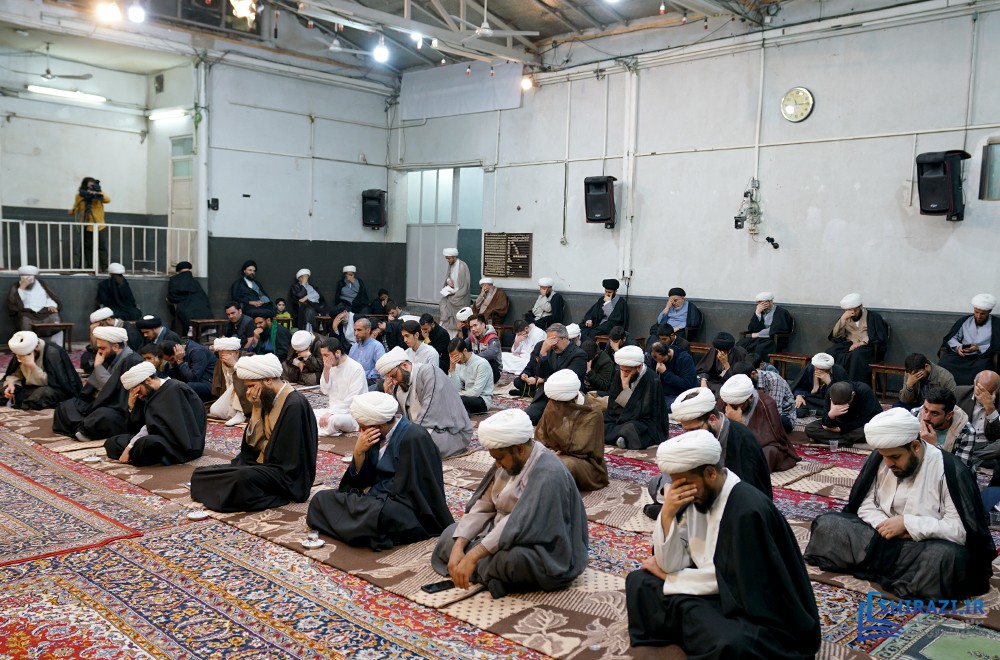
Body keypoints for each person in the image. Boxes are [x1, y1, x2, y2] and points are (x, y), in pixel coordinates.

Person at [626, 430, 820, 657]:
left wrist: (669, 578)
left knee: (731, 642)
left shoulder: (747, 510)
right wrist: (667, 514)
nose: (679, 492)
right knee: (639, 582)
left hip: (747, 605)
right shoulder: (695, 496)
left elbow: (740, 585)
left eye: (684, 484)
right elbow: (671, 563)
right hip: (705, 586)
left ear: (710, 473)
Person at [805, 408, 995, 601]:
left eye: (895, 457)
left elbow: (960, 530)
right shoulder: (881, 459)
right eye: (884, 456)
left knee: (946, 558)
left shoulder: (950, 470)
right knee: (828, 524)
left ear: (916, 447)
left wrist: (908, 525)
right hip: (882, 536)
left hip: (923, 546)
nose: (888, 463)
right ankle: (901, 572)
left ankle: (888, 567)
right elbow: (865, 504)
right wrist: (886, 526)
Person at [431, 409, 589, 598]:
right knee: (450, 535)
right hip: (500, 534)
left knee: (512, 561)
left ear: (519, 448)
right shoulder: (509, 460)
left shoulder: (548, 472)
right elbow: (483, 505)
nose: (497, 464)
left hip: (540, 546)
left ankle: (483, 571)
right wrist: (459, 545)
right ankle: (490, 575)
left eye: (499, 458)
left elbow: (518, 522)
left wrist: (473, 556)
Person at [307, 391, 453, 550]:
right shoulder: (375, 436)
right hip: (375, 500)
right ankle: (361, 529)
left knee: (379, 514)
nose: (360, 431)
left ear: (379, 426)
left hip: (404, 508)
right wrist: (359, 453)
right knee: (320, 499)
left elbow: (414, 490)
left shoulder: (414, 437)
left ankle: (361, 527)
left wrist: (374, 496)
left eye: (363, 427)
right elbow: (358, 483)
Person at [191, 354, 318, 512]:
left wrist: (255, 465)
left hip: (287, 476)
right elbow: (253, 446)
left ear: (268, 380)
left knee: (241, 478)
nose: (249, 391)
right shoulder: (267, 396)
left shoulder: (294, 405)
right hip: (266, 464)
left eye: (251, 386)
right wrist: (256, 408)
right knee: (201, 473)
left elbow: (288, 460)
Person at [654, 387, 772, 500]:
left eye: (694, 429)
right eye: (686, 430)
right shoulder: (699, 434)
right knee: (658, 484)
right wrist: (669, 487)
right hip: (704, 490)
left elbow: (746, 491)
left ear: (712, 419)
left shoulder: (742, 439)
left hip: (732, 499)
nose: (691, 435)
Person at [103, 361, 207, 466]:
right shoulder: (152, 393)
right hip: (161, 436)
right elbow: (141, 426)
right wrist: (131, 406)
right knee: (112, 443)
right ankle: (136, 455)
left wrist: (129, 447)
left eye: (138, 391)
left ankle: (134, 454)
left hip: (180, 444)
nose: (138, 395)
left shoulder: (174, 389)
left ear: (148, 380)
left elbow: (153, 426)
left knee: (145, 444)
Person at [376, 347, 473, 457]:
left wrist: (405, 435)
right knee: (385, 437)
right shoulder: (399, 384)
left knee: (410, 446)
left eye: (394, 376)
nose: (394, 382)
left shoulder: (429, 372)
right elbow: (399, 419)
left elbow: (430, 413)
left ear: (405, 365)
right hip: (419, 429)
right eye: (389, 379)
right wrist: (389, 396)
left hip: (450, 432)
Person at [52, 326, 142, 441]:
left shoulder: (133, 361)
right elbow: (93, 389)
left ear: (115, 346)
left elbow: (113, 390)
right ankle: (84, 427)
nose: (99, 352)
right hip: (101, 401)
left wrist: (98, 367)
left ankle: (85, 428)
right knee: (65, 406)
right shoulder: (109, 355)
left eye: (102, 348)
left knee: (102, 415)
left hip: (119, 409)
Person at [535, 370, 609, 491]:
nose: (557, 406)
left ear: (574, 397)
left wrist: (556, 451)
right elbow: (541, 435)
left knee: (561, 466)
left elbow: (580, 447)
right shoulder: (555, 401)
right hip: (556, 453)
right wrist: (547, 452)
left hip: (584, 461)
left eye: (561, 404)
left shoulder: (592, 412)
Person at [719, 374, 800, 472]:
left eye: (739, 405)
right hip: (732, 443)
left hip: (759, 445)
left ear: (750, 398)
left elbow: (776, 441)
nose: (734, 408)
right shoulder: (726, 401)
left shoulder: (767, 404)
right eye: (732, 406)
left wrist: (739, 424)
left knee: (770, 452)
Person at [523, 323, 588, 424]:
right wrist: (543, 353)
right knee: (526, 418)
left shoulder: (579, 354)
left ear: (565, 338)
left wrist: (545, 380)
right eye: (549, 341)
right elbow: (541, 374)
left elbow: (568, 379)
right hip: (547, 395)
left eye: (554, 340)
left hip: (567, 397)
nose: (552, 344)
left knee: (554, 423)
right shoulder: (550, 350)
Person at [605, 345, 667, 450]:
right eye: (621, 369)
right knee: (598, 419)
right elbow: (613, 406)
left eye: (627, 371)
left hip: (642, 421)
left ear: (638, 367)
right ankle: (620, 436)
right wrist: (625, 389)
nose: (624, 374)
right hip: (621, 416)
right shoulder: (620, 374)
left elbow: (645, 412)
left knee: (632, 428)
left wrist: (626, 389)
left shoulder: (652, 380)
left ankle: (620, 436)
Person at [3, 330, 81, 410]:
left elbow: (54, 383)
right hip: (27, 387)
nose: (21, 358)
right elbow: (15, 373)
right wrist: (11, 383)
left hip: (47, 387)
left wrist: (32, 366)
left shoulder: (52, 353)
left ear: (36, 347)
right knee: (3, 387)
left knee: (44, 394)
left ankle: (22, 400)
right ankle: (21, 399)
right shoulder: (22, 350)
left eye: (25, 355)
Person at [825, 292, 888, 382]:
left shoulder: (873, 317)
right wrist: (842, 319)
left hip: (867, 347)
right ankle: (833, 384)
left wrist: (861, 343)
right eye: (848, 311)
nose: (852, 314)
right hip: (849, 345)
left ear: (861, 306)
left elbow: (879, 336)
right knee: (831, 352)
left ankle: (853, 385)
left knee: (856, 355)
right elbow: (836, 336)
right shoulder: (846, 317)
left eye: (854, 311)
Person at [939, 293, 1000, 386]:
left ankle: (973, 392)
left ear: (989, 311)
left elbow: (997, 344)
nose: (978, 316)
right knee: (945, 363)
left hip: (982, 356)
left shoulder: (996, 324)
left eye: (982, 314)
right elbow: (952, 338)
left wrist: (979, 348)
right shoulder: (964, 321)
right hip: (962, 355)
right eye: (976, 312)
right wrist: (958, 347)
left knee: (982, 369)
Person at [912, 387, 980, 469]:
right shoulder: (914, 416)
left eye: (934, 413)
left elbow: (961, 470)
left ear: (949, 415)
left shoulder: (966, 431)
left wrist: (935, 445)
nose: (926, 417)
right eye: (925, 409)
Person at [314, 337, 368, 436]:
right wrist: (326, 370)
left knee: (336, 420)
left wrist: (332, 412)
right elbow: (324, 390)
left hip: (352, 414)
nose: (324, 359)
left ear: (337, 353)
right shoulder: (330, 366)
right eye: (322, 356)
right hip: (333, 410)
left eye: (326, 355)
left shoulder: (356, 368)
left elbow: (353, 398)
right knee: (309, 413)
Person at [803, 380, 883, 446]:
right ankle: (849, 442)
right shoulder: (831, 392)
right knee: (810, 428)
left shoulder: (864, 390)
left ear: (853, 395)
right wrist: (831, 415)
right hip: (840, 423)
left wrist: (842, 429)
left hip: (858, 425)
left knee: (872, 432)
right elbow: (826, 423)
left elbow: (869, 419)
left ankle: (834, 440)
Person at [730, 360, 796, 432]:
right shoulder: (748, 380)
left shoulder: (774, 380)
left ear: (753, 374)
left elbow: (775, 412)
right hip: (759, 414)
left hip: (782, 416)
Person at [735, 291, 793, 360]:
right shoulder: (760, 311)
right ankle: (742, 365)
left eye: (763, 303)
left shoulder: (781, 312)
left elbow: (776, 328)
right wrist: (757, 313)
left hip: (772, 339)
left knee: (760, 348)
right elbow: (752, 328)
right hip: (759, 339)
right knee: (741, 344)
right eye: (759, 303)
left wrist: (759, 334)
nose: (760, 305)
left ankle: (759, 366)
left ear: (770, 302)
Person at [69, 177, 109, 270]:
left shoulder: (99, 193)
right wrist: (72, 211)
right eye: (89, 184)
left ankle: (105, 267)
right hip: (86, 225)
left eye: (93, 184)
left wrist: (97, 192)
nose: (91, 187)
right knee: (88, 247)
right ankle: (90, 267)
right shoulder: (80, 195)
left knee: (102, 247)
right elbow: (76, 207)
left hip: (99, 225)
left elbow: (108, 200)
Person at [6, 265, 61, 333]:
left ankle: (53, 338)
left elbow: (49, 297)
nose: (26, 279)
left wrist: (52, 305)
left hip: (43, 312)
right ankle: (29, 339)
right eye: (23, 276)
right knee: (24, 319)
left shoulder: (42, 284)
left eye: (29, 276)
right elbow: (15, 302)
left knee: (54, 316)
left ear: (34, 276)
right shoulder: (16, 286)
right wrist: (22, 288)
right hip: (27, 313)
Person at [646, 340, 697, 413]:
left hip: (680, 394)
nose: (659, 363)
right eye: (657, 361)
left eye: (663, 360)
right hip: (663, 395)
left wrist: (665, 373)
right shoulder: (655, 360)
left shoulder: (684, 358)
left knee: (668, 405)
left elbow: (687, 385)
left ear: (669, 352)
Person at [209, 336, 249, 426]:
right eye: (221, 356)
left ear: (236, 353)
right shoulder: (220, 362)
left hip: (247, 395)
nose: (224, 359)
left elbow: (252, 378)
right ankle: (234, 413)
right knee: (215, 410)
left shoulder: (248, 358)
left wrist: (235, 364)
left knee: (241, 378)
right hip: (229, 394)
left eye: (226, 356)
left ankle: (241, 413)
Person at [448, 337, 493, 415]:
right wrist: (452, 369)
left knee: (456, 399)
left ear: (465, 351)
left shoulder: (482, 364)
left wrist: (456, 395)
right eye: (452, 357)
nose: (455, 360)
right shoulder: (458, 364)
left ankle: (461, 412)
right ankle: (463, 412)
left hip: (482, 399)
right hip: (467, 396)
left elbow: (476, 392)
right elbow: (455, 388)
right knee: (445, 397)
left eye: (456, 356)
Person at [167, 261, 213, 334]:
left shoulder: (174, 281)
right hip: (197, 307)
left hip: (185, 306)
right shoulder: (194, 282)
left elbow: (171, 296)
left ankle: (193, 329)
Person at [438, 248, 470, 337]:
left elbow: (464, 287)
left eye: (448, 258)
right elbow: (448, 277)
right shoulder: (451, 265)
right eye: (446, 258)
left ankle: (457, 333)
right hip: (451, 293)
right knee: (443, 303)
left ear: (453, 257)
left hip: (460, 297)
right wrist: (448, 280)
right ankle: (446, 331)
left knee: (450, 304)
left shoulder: (462, 267)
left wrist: (454, 292)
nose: (447, 260)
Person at [288, 268, 329, 333]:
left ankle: (323, 329)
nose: (306, 279)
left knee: (326, 309)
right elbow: (300, 296)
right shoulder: (295, 286)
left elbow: (318, 296)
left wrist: (307, 297)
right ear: (300, 278)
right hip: (305, 307)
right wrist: (303, 284)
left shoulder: (311, 286)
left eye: (306, 277)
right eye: (304, 277)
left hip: (317, 305)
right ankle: (309, 332)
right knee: (310, 311)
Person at [349, 317, 385, 386]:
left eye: (359, 330)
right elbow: (349, 366)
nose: (356, 333)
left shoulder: (377, 346)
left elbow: (380, 368)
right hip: (354, 380)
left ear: (368, 330)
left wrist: (363, 376)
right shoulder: (354, 347)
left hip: (370, 381)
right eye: (355, 330)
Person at [466, 314, 502, 383]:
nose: (473, 329)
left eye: (475, 325)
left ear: (483, 324)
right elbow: (462, 345)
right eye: (471, 327)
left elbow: (491, 353)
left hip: (493, 369)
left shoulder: (492, 338)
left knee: (490, 360)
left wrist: (473, 358)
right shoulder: (472, 337)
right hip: (478, 367)